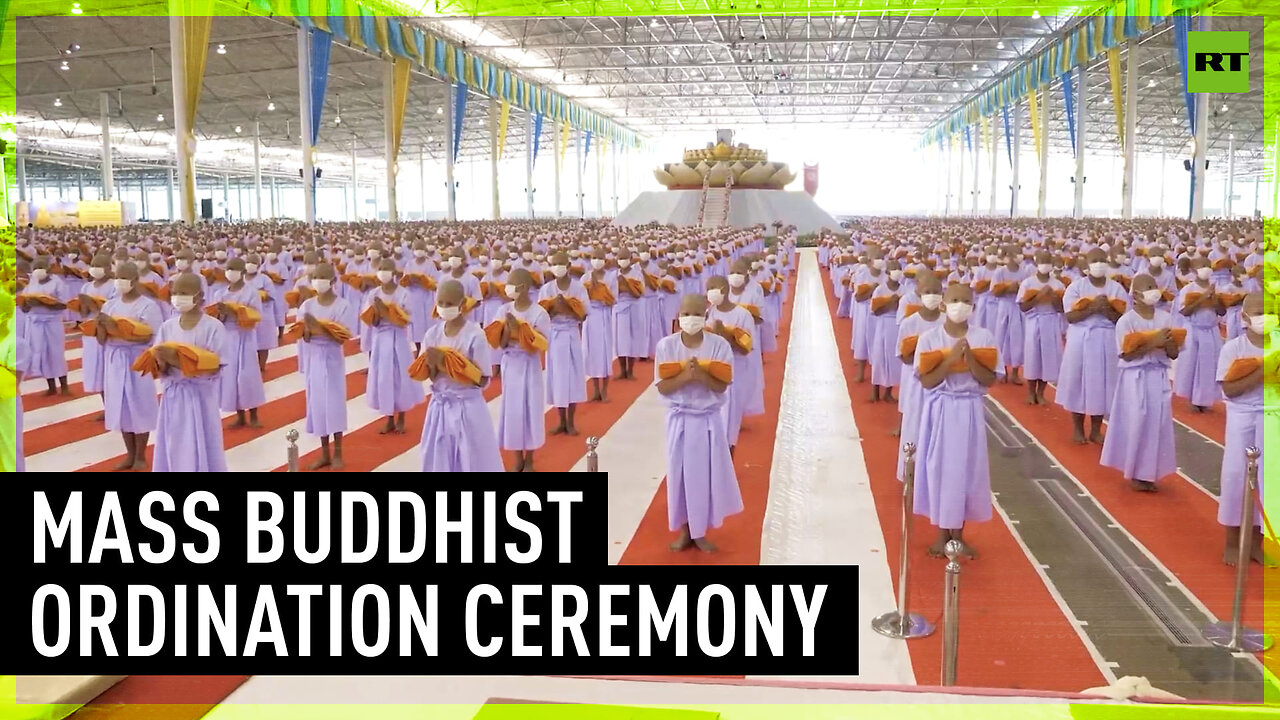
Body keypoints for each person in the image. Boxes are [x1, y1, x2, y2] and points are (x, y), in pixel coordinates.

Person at [913, 283, 1000, 559]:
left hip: (970, 408)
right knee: (939, 469)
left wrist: (969, 357)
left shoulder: (983, 336)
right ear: (943, 305)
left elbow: (989, 378)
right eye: (954, 300)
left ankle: (958, 536)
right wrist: (951, 358)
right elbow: (927, 381)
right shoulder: (929, 339)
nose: (959, 306)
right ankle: (941, 535)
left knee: (964, 472)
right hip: (941, 410)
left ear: (973, 307)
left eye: (965, 301)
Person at [655, 294, 743, 552]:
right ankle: (685, 530)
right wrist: (685, 376)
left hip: (707, 421)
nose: (690, 319)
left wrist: (701, 376)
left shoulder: (718, 346)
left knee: (704, 476)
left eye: (696, 314)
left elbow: (722, 384)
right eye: (685, 314)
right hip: (679, 420)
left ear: (705, 317)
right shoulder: (666, 346)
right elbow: (663, 387)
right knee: (679, 477)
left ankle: (700, 530)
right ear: (679, 315)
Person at [1100, 274, 1181, 492]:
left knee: (1158, 423)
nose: (1153, 290)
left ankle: (1150, 472)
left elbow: (1173, 353)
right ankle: (1134, 471)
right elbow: (1126, 355)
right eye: (1148, 287)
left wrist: (1169, 344)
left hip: (1159, 376)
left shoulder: (1165, 318)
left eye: (1154, 286)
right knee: (1137, 421)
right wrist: (1152, 342)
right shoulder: (1126, 321)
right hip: (1135, 378)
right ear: (1135, 294)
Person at [414, 279, 503, 472]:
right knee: (438, 457)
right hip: (440, 406)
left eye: (450, 304)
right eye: (441, 303)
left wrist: (448, 363)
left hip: (468, 406)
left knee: (471, 459)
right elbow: (429, 375)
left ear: (462, 305)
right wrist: (433, 365)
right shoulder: (432, 334)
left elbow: (483, 380)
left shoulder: (475, 335)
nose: (444, 308)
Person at [147, 273, 229, 472]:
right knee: (173, 441)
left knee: (203, 441)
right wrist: (161, 361)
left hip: (201, 396)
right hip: (173, 395)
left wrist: (178, 359)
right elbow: (159, 366)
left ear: (200, 296)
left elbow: (215, 365)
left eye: (183, 293)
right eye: (174, 292)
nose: (177, 297)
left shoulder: (213, 327)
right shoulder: (168, 327)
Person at [1215, 292, 1272, 565]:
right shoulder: (1233, 348)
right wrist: (1263, 372)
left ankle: (1255, 543)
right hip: (1241, 418)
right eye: (1259, 311)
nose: (1265, 317)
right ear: (1245, 316)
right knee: (1236, 478)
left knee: (1269, 482)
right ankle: (1230, 543)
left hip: (1273, 415)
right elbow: (1230, 389)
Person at [99, 261, 164, 470]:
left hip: (137, 359)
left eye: (124, 278)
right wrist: (101, 325)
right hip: (115, 359)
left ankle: (141, 456)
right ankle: (129, 454)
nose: (120, 282)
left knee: (139, 405)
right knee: (122, 406)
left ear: (135, 280)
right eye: (118, 277)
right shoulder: (110, 305)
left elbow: (151, 336)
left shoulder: (147, 305)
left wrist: (118, 329)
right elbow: (101, 339)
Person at [1057, 248, 1126, 444]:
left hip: (1106, 339)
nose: (1099, 263)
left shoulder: (1116, 288)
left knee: (1102, 385)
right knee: (1078, 383)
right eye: (1094, 260)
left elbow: (1121, 319)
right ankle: (1078, 429)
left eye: (1102, 259)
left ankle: (1096, 430)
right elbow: (1070, 316)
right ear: (1086, 265)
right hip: (1081, 338)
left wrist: (1107, 311)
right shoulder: (1076, 288)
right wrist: (1093, 308)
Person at [297, 263, 358, 470]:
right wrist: (311, 330)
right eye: (315, 276)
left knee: (334, 404)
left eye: (323, 277)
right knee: (318, 404)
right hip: (313, 358)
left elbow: (341, 337)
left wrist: (317, 328)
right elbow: (302, 334)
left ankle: (338, 453)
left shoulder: (342, 306)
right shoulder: (307, 306)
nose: (318, 280)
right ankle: (324, 453)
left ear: (333, 281)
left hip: (332, 359)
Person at [491, 269, 551, 472]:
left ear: (524, 288)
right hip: (510, 364)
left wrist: (521, 331)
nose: (506, 287)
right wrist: (509, 331)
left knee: (531, 409)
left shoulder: (539, 313)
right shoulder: (503, 310)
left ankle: (530, 459)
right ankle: (517, 457)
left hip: (529, 364)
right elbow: (499, 343)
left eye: (511, 284)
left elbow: (540, 344)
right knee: (513, 411)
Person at [363, 258, 424, 435]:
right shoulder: (373, 293)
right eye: (380, 268)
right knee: (384, 379)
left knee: (400, 379)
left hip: (398, 340)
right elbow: (371, 321)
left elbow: (405, 321)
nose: (383, 272)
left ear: (394, 273)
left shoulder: (403, 294)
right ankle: (389, 418)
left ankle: (402, 418)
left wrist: (386, 311)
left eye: (386, 269)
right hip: (380, 340)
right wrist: (376, 313)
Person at [894, 271, 944, 477]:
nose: (932, 296)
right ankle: (911, 475)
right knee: (915, 427)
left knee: (938, 432)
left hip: (942, 385)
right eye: (927, 292)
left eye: (936, 292)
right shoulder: (910, 323)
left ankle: (936, 474)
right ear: (919, 293)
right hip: (917, 383)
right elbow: (903, 357)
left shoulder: (947, 322)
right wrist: (922, 349)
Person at [538, 251, 589, 436]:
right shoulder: (546, 289)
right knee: (557, 379)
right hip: (554, 336)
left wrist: (567, 307)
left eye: (561, 264)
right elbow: (541, 316)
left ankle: (571, 421)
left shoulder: (578, 288)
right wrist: (553, 309)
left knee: (572, 378)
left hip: (571, 334)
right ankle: (560, 421)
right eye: (554, 264)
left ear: (568, 267)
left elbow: (583, 315)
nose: (558, 267)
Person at [705, 275, 756, 456]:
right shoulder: (708, 312)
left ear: (724, 290)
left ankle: (728, 469)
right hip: (711, 375)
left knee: (729, 426)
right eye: (708, 287)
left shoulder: (742, 315)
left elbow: (746, 348)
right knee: (712, 425)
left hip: (735, 375)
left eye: (713, 286)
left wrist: (725, 336)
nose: (709, 290)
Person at [1176, 257, 1226, 412]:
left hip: (1211, 330)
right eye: (1201, 266)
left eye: (1207, 265)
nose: (1205, 268)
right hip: (1194, 330)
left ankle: (1204, 398)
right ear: (1193, 270)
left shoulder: (1218, 288)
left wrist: (1214, 299)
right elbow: (1184, 311)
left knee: (1209, 366)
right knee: (1192, 365)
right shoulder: (1188, 289)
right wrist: (1203, 298)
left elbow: (1222, 311)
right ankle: (1192, 397)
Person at [1018, 251, 1066, 405]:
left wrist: (1052, 297)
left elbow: (1061, 308)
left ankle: (1041, 392)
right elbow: (1023, 307)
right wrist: (1039, 297)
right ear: (1036, 261)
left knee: (1048, 358)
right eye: (1042, 260)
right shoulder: (1028, 283)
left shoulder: (1058, 284)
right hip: (1034, 321)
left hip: (1051, 322)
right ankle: (1031, 392)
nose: (1045, 264)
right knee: (1033, 357)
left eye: (1048, 261)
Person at [18, 255, 71, 396]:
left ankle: (64, 386)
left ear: (48, 269)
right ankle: (51, 386)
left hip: (52, 323)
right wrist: (26, 304)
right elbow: (24, 305)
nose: (38, 271)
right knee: (41, 354)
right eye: (35, 268)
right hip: (35, 322)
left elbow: (63, 304)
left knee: (56, 353)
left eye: (41, 268)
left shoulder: (57, 283)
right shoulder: (32, 282)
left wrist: (43, 303)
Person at [582, 247, 617, 402]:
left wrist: (600, 291)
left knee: (604, 353)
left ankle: (605, 390)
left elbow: (614, 300)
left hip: (603, 316)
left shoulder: (611, 277)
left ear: (605, 260)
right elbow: (580, 300)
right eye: (594, 257)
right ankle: (595, 389)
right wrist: (590, 289)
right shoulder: (585, 278)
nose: (597, 261)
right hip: (590, 317)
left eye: (600, 258)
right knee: (592, 354)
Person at [868, 259, 904, 403]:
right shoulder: (880, 289)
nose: (896, 270)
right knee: (879, 358)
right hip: (883, 324)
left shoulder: (905, 289)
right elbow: (875, 311)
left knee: (894, 359)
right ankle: (875, 392)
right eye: (893, 268)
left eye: (898, 268)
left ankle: (888, 392)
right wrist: (890, 303)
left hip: (898, 325)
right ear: (887, 272)